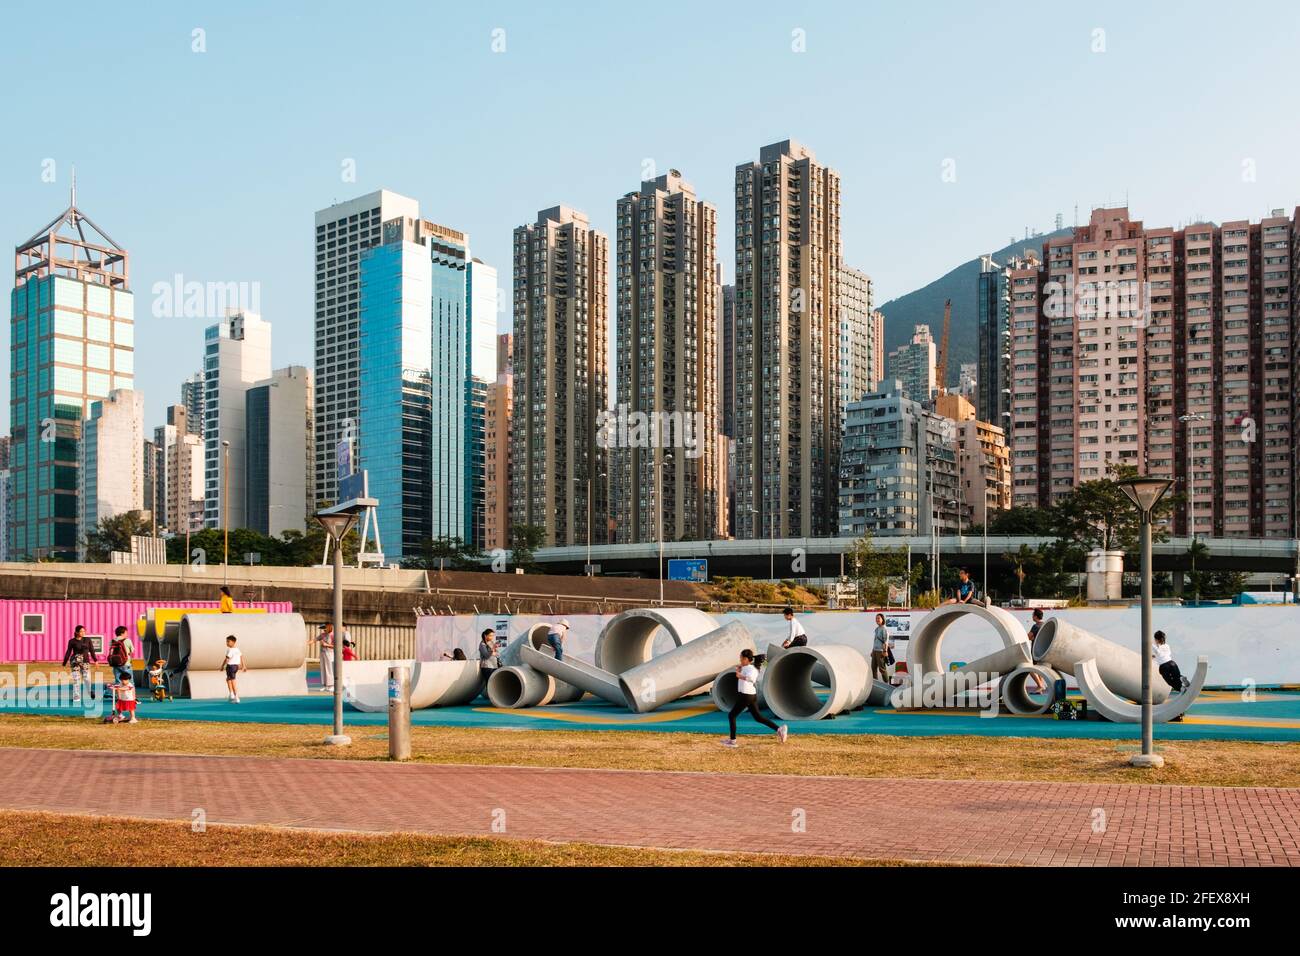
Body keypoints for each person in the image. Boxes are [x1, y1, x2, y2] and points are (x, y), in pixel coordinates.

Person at [721, 650, 787, 748]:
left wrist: (740, 675)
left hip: (746, 695)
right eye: (740, 658)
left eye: (742, 658)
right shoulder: (746, 667)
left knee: (732, 715)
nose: (740, 660)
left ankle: (733, 741)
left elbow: (752, 679)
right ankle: (779, 729)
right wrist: (739, 670)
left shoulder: (752, 669)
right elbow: (742, 672)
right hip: (750, 695)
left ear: (747, 659)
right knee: (758, 717)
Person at [62, 625, 98, 704]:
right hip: (75, 662)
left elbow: (92, 650)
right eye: (81, 631)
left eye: (84, 631)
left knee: (87, 679)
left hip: (85, 662)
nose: (83, 633)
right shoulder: (72, 641)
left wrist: (95, 660)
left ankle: (90, 691)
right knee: (76, 679)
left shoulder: (87, 640)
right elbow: (68, 651)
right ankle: (76, 697)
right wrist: (65, 661)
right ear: (77, 632)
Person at [1026, 609, 1048, 693]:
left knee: (1029, 668)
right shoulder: (1044, 625)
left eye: (1032, 615)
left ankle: (1040, 685)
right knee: (1039, 669)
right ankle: (1040, 687)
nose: (1032, 616)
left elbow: (1028, 637)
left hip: (1035, 651)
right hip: (1044, 651)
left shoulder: (1036, 626)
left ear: (1035, 616)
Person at [870, 613, 892, 683]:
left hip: (881, 651)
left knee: (882, 668)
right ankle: (875, 683)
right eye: (876, 618)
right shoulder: (877, 629)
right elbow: (875, 640)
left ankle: (887, 683)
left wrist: (885, 651)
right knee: (873, 668)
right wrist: (872, 650)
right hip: (875, 651)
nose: (877, 620)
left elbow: (886, 640)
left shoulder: (884, 629)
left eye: (879, 618)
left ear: (882, 619)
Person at [223, 635, 245, 703]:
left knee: (232, 681)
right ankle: (231, 694)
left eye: (228, 641)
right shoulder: (237, 649)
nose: (227, 643)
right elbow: (241, 656)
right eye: (226, 641)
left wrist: (222, 666)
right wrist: (243, 665)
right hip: (236, 667)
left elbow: (226, 659)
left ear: (233, 642)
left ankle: (236, 697)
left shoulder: (230, 650)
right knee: (228, 679)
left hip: (230, 666)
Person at [318, 624, 335, 692]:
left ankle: (332, 685)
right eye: (323, 629)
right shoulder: (322, 635)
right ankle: (325, 685)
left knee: (329, 669)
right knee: (323, 669)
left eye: (325, 629)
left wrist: (326, 645)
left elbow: (336, 645)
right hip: (323, 653)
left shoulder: (332, 635)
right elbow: (314, 639)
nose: (324, 630)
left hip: (330, 653)